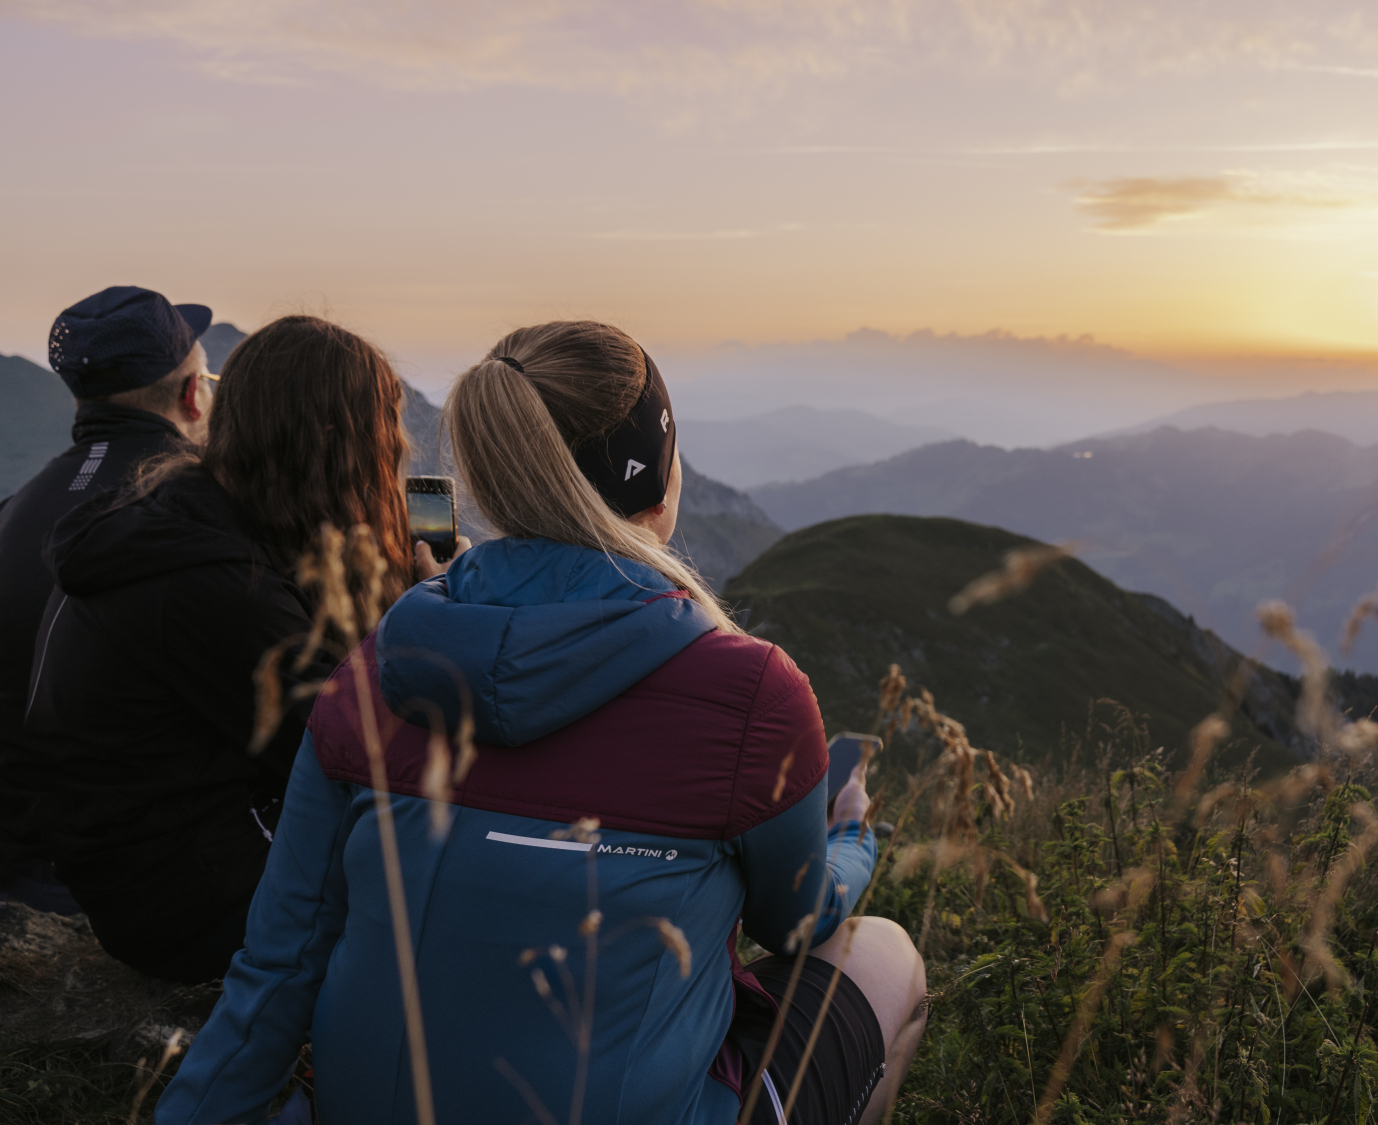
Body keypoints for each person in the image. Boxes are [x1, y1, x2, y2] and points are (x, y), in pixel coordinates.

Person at [158, 321, 927, 1125]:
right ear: (660, 485)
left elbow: (280, 963)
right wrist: (852, 839)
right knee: (888, 956)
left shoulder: (376, 671)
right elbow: (795, 918)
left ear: (496, 485)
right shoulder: (749, 691)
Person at [21, 314, 443, 984]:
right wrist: (431, 621)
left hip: (142, 870)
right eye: (384, 430)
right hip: (185, 906)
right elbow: (369, 757)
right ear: (345, 445)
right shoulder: (214, 582)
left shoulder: (194, 516)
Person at [0, 286, 218, 914]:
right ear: (190, 396)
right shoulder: (192, 509)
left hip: (25, 854)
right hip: (127, 874)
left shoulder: (19, 506)